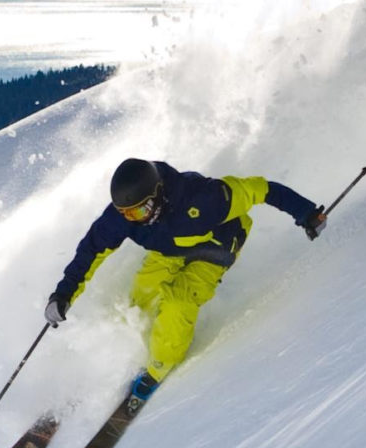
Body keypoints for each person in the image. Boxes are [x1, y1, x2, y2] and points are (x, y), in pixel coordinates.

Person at [46, 156, 325, 410]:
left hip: (216, 247)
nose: (132, 219)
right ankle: (134, 346)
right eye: (126, 213)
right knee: (142, 296)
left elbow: (262, 189)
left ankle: (159, 366)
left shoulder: (204, 198)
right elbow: (91, 250)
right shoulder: (123, 217)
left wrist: (306, 213)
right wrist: (64, 293)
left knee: (178, 301)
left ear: (157, 196)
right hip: (169, 249)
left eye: (138, 213)